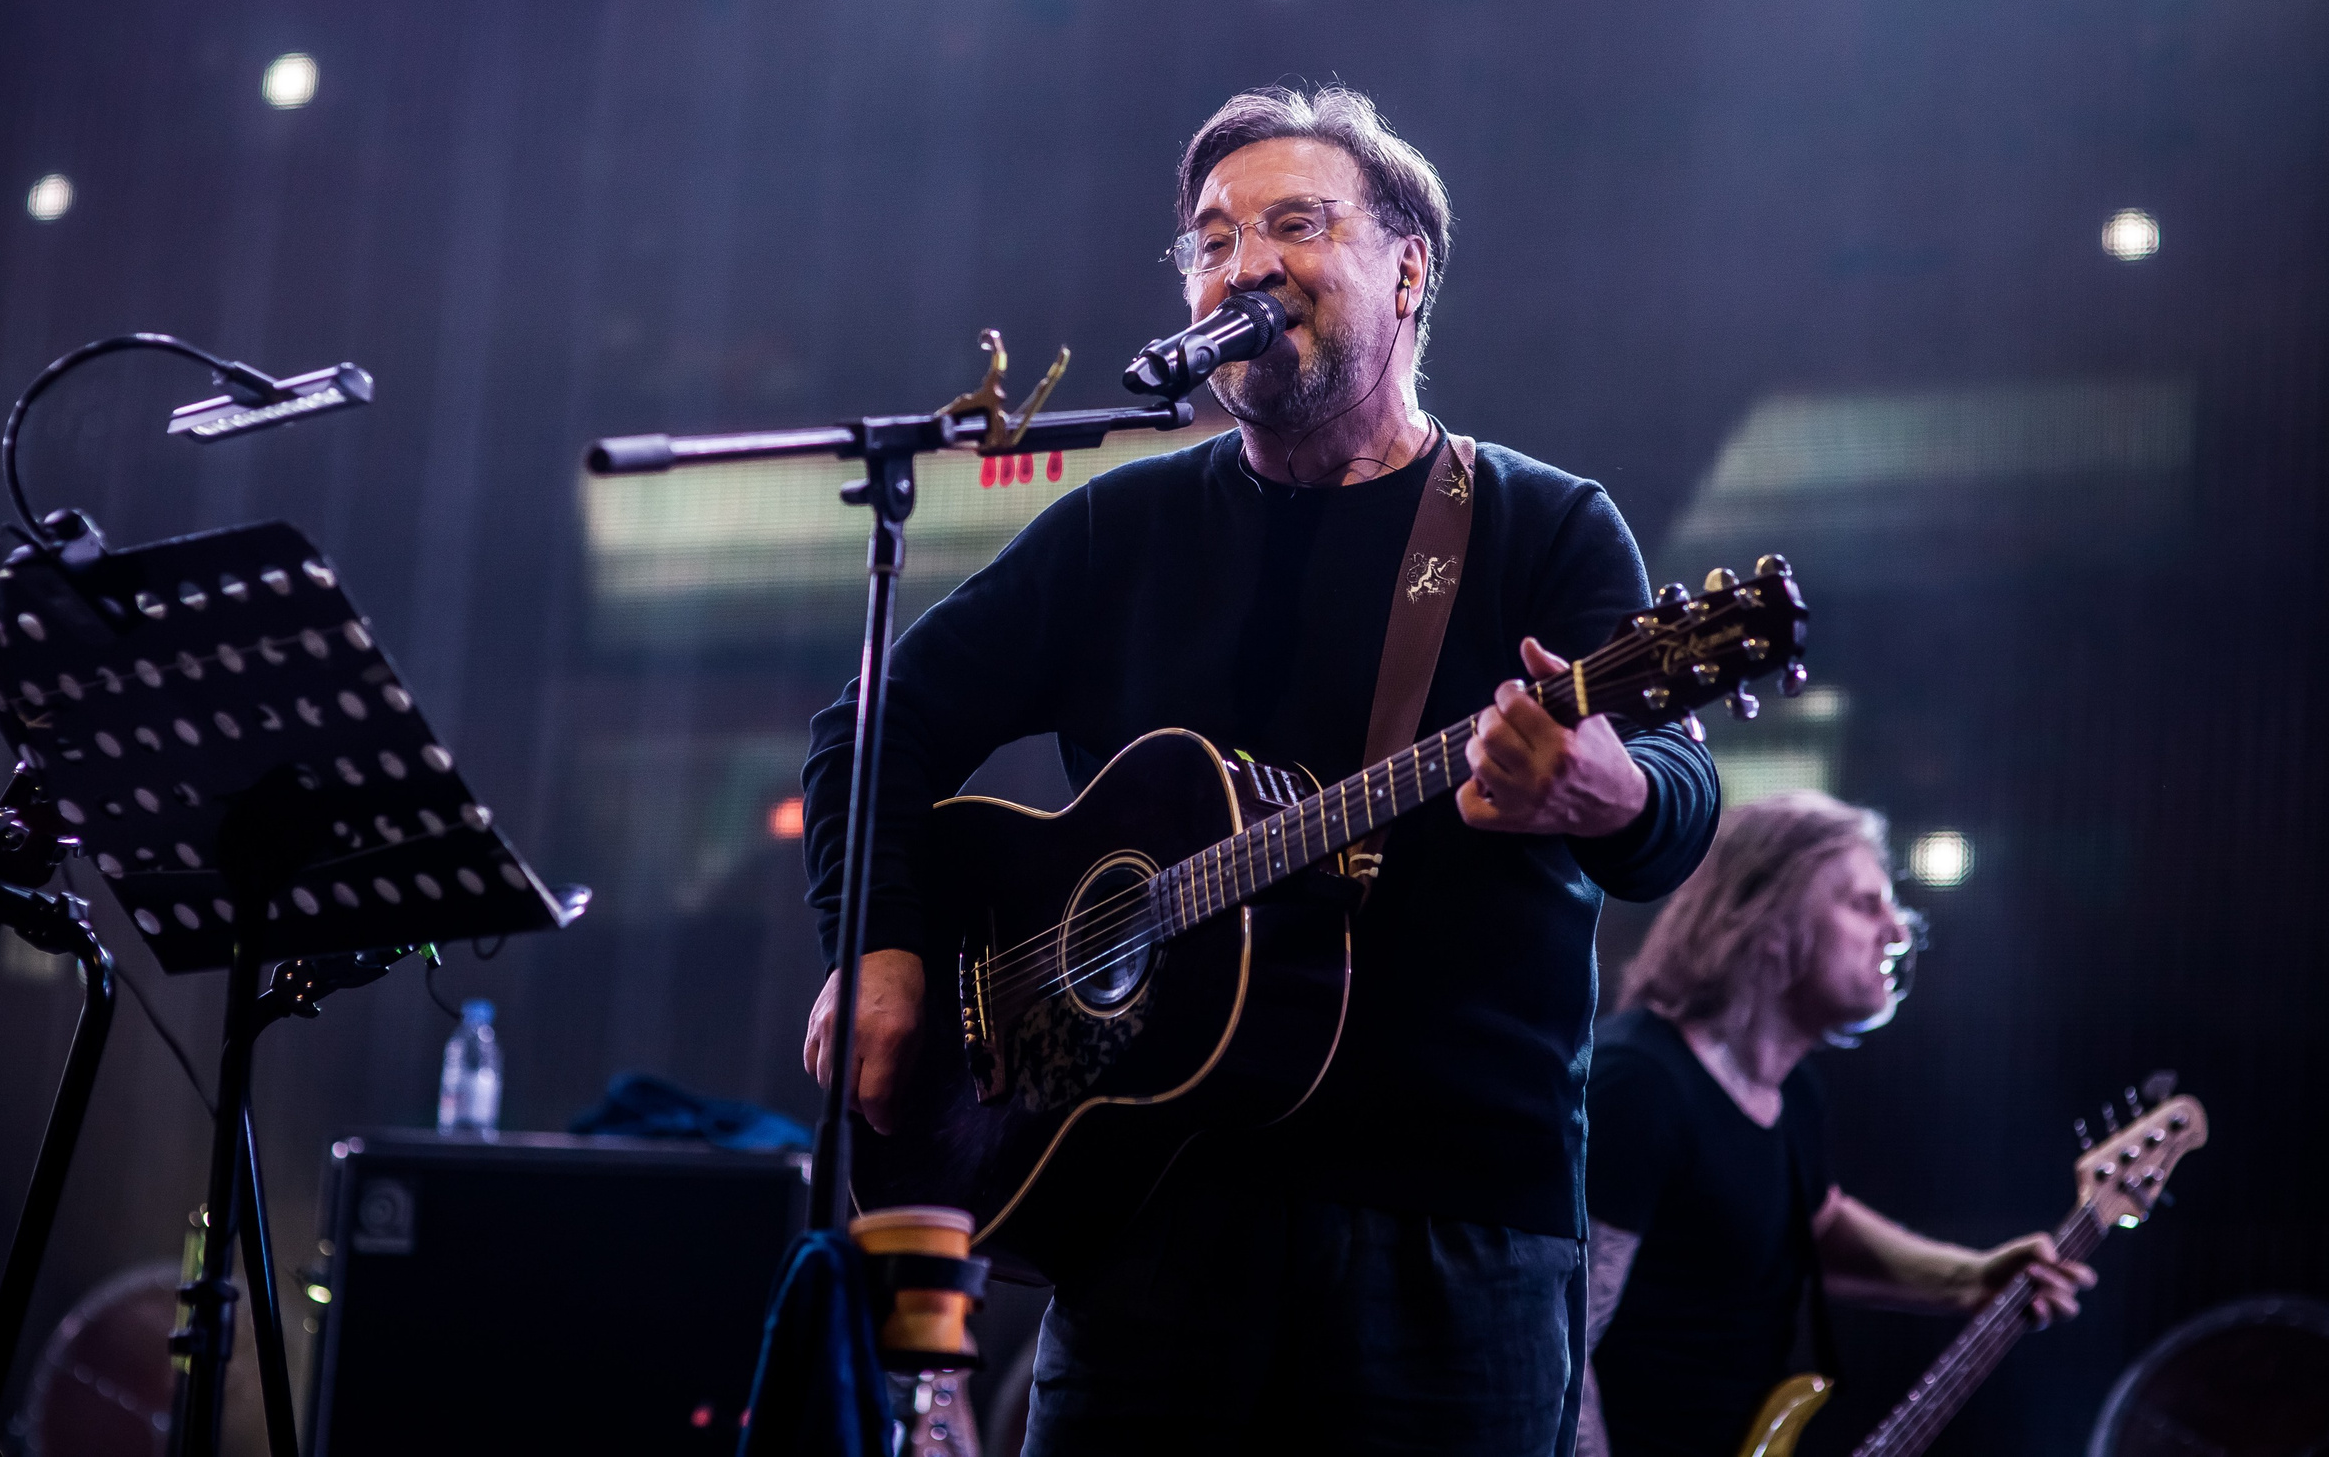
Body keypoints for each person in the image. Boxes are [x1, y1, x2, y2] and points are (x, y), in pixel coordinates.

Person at [798, 84, 1721, 1456]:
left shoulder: (1541, 522)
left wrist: (1611, 791)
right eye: (1212, 238)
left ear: (1408, 268)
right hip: (1150, 1215)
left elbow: (1677, 798)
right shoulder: (1123, 526)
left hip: (1451, 1229)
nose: (1245, 263)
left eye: (1297, 223)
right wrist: (882, 944)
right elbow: (874, 726)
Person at [1579, 792, 2097, 1457]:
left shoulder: (1790, 1090)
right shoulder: (1641, 1083)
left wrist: (1969, 1277)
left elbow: (1811, 1227)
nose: (1900, 930)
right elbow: (1561, 1332)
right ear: (1766, 913)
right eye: (1863, 903)